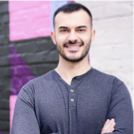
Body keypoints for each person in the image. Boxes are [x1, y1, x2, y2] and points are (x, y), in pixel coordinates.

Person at [11, 2, 134, 134]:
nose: (73, 37)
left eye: (81, 30)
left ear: (92, 35)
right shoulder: (31, 93)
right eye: (64, 30)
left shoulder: (115, 89)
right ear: (54, 37)